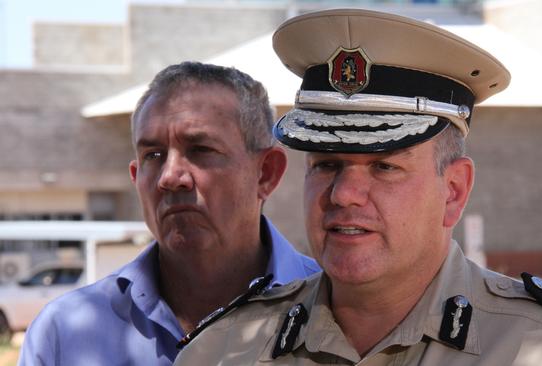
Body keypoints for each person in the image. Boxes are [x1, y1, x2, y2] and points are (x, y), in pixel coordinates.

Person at [173, 9, 542, 366]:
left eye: (384, 167)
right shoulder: (221, 350)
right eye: (327, 164)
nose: (343, 194)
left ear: (452, 191)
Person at [18, 62, 320, 366]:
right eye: (153, 156)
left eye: (200, 149)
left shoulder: (338, 311)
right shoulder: (63, 334)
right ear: (135, 177)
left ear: (266, 173)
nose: (170, 177)